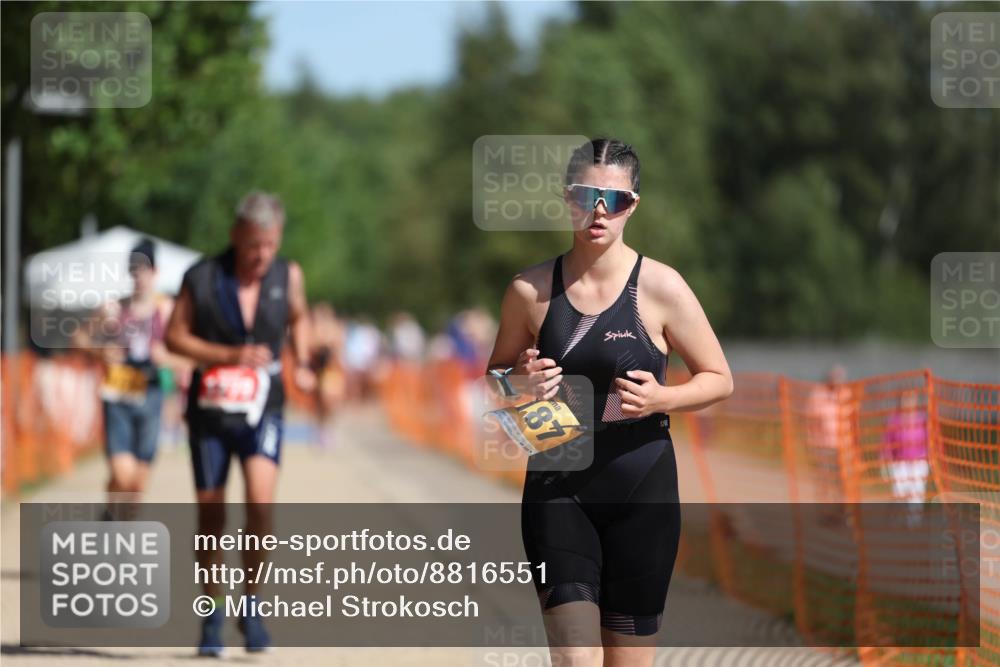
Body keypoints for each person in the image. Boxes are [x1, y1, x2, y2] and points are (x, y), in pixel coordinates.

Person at [486, 138, 733, 667]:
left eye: (614, 200)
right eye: (586, 195)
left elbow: (719, 378)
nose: (599, 211)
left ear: (633, 205)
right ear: (566, 197)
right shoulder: (529, 291)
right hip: (557, 487)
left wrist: (664, 397)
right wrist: (520, 384)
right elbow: (497, 377)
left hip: (642, 493)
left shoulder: (662, 287)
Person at [165, 192, 315, 656]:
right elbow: (174, 335)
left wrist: (303, 358)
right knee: (211, 515)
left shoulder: (287, 275)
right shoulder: (202, 277)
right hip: (211, 411)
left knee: (260, 506)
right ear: (235, 236)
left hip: (263, 407)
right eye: (253, 244)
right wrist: (230, 356)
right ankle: (212, 611)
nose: (261, 255)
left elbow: (299, 316)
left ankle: (251, 604)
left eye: (269, 244)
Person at [75, 238, 179, 518]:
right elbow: (79, 337)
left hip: (152, 396)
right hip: (118, 397)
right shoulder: (113, 309)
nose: (139, 276)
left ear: (155, 272)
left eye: (144, 270)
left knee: (136, 484)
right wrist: (100, 351)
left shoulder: (167, 311)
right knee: (122, 475)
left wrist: (165, 358)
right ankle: (112, 511)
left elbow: (188, 359)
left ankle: (118, 528)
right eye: (134, 269)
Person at [881, 390, 929, 526]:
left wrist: (928, 459)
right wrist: (885, 462)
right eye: (905, 399)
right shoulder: (893, 420)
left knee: (917, 493)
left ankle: (914, 523)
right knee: (899, 492)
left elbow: (929, 440)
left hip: (919, 462)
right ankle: (896, 520)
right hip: (900, 462)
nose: (908, 403)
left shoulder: (921, 419)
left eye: (911, 399)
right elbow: (887, 442)